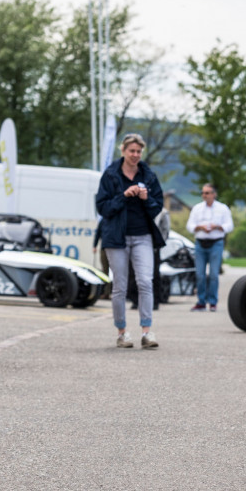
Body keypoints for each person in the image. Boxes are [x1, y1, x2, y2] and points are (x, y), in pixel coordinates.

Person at [95, 133, 165, 349]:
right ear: (123, 151)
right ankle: (122, 332)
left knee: (145, 281)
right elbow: (103, 208)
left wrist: (146, 198)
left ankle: (147, 332)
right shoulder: (111, 175)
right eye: (131, 151)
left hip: (143, 235)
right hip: (117, 237)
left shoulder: (149, 175)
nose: (135, 155)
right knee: (120, 286)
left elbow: (157, 207)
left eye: (138, 151)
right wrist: (124, 195)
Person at [187, 183, 233, 312]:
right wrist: (199, 227)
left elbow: (229, 225)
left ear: (214, 194)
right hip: (200, 243)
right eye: (203, 193)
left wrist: (217, 226)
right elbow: (190, 226)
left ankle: (212, 302)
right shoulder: (196, 208)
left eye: (207, 193)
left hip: (216, 243)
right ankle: (201, 302)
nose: (204, 195)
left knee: (213, 274)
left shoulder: (223, 208)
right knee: (200, 274)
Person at [132, 207, 170, 311]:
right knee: (134, 273)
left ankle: (155, 302)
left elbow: (165, 230)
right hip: (137, 245)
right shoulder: (139, 208)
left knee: (154, 275)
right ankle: (135, 301)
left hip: (154, 247)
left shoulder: (162, 212)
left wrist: (158, 244)